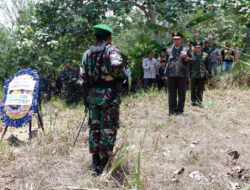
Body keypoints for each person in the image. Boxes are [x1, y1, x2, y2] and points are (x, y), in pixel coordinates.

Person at [80, 24, 125, 176]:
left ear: (95, 37)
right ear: (109, 37)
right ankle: (104, 164)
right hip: (109, 96)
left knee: (95, 128)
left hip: (93, 96)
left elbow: (83, 78)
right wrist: (119, 77)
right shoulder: (111, 49)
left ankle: (95, 164)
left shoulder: (87, 53)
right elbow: (118, 65)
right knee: (108, 129)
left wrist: (86, 96)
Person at [165, 32, 192, 116]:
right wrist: (166, 75)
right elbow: (166, 63)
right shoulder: (169, 50)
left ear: (181, 40)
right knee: (171, 93)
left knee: (181, 93)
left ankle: (180, 110)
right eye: (174, 39)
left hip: (182, 74)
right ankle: (172, 110)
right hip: (171, 75)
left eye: (177, 39)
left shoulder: (186, 50)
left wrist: (186, 58)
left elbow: (191, 61)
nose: (176, 41)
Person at [188, 42, 209, 107]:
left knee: (200, 89)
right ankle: (193, 102)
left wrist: (206, 74)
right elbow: (189, 67)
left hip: (201, 74)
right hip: (193, 75)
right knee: (193, 89)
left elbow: (207, 65)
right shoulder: (191, 55)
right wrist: (189, 76)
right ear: (194, 48)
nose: (198, 48)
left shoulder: (205, 54)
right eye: (197, 47)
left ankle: (199, 102)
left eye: (199, 47)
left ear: (201, 48)